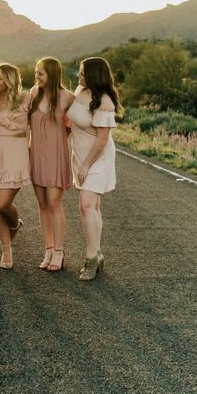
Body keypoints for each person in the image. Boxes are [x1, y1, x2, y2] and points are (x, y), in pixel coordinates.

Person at [68, 56, 122, 281]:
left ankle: (90, 258)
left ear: (94, 75)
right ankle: (97, 254)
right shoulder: (81, 91)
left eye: (83, 72)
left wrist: (86, 165)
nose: (79, 76)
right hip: (80, 154)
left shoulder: (105, 101)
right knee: (93, 206)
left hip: (97, 158)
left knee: (86, 204)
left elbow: (101, 141)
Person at [0, 63, 31, 269]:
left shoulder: (26, 98)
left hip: (16, 152)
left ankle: (14, 225)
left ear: (11, 79)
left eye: (0, 78)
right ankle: (6, 250)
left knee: (2, 203)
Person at [29, 57, 74, 272]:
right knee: (42, 204)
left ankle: (59, 251)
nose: (36, 76)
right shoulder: (33, 94)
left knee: (54, 203)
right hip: (36, 154)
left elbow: (78, 124)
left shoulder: (67, 98)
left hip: (56, 155)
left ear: (53, 75)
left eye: (41, 73)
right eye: (36, 72)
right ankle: (48, 249)